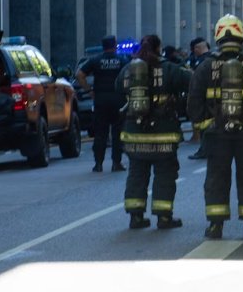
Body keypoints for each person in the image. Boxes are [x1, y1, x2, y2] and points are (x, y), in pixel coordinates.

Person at [187, 14, 243, 239]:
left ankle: (215, 226)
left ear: (218, 36)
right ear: (241, 35)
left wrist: (204, 125)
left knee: (216, 178)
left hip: (217, 133)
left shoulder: (206, 66)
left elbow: (193, 101)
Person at [118, 35, 191, 229]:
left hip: (135, 133)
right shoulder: (169, 68)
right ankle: (164, 218)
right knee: (165, 174)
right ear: (159, 48)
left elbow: (118, 87)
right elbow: (191, 82)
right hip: (163, 132)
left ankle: (135, 218)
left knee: (137, 174)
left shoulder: (128, 69)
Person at [76, 35, 129, 172]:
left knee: (100, 133)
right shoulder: (122, 60)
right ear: (115, 45)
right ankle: (116, 163)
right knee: (117, 133)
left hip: (100, 100)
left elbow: (79, 75)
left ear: (103, 46)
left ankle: (98, 164)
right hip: (118, 100)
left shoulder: (95, 60)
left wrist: (89, 90)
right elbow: (129, 76)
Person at [188, 38, 213, 159]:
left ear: (197, 48)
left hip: (204, 98)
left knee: (204, 125)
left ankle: (205, 149)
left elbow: (197, 79)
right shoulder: (212, 59)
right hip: (212, 99)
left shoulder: (203, 61)